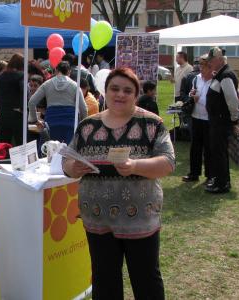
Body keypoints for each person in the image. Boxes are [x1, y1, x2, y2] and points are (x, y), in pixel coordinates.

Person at [62, 68, 175, 299]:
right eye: (114, 89)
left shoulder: (151, 123)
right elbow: (67, 161)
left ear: (136, 94)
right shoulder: (87, 126)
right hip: (97, 218)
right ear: (106, 91)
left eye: (127, 90)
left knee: (146, 280)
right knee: (104, 280)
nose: (120, 94)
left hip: (140, 219)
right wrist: (73, 168)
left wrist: (135, 167)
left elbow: (168, 162)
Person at [205, 47, 239, 193]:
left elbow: (232, 100)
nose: (209, 64)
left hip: (221, 122)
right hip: (217, 121)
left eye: (211, 61)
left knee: (219, 152)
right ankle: (220, 180)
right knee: (218, 152)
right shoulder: (221, 74)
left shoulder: (225, 76)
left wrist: (234, 120)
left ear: (219, 60)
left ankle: (222, 183)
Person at [28, 61, 87, 143]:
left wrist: (35, 120)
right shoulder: (75, 86)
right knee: (68, 153)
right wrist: (82, 124)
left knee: (48, 151)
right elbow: (84, 109)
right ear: (69, 72)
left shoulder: (47, 84)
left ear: (56, 70)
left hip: (51, 123)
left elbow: (31, 102)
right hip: (70, 124)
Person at [182, 55, 213, 185]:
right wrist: (192, 94)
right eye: (199, 65)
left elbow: (213, 102)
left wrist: (198, 99)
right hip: (195, 117)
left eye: (203, 66)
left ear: (210, 67)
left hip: (209, 119)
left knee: (209, 149)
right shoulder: (197, 78)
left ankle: (210, 176)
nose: (200, 68)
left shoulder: (215, 81)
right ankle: (194, 173)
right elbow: (191, 93)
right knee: (195, 148)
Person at [0, 53, 25, 146]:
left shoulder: (0, 77)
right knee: (20, 142)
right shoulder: (21, 76)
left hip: (3, 112)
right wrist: (22, 108)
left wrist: (1, 106)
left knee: (2, 143)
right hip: (17, 113)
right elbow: (24, 92)